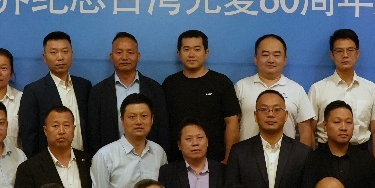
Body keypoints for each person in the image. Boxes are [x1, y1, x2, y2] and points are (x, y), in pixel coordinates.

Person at [224, 90, 311, 188]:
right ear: (255, 116)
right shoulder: (239, 152)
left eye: (277, 109)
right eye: (264, 109)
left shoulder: (303, 153)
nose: (270, 114)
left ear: (286, 115)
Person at [12, 106, 92, 188]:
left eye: (66, 125)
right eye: (55, 126)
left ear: (74, 129)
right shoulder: (29, 169)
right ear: (45, 130)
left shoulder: (87, 162)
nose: (61, 131)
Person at [161, 29, 241, 163]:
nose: (191, 54)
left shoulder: (221, 82)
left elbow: (231, 122)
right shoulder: (169, 84)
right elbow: (163, 124)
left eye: (197, 49)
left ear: (206, 53)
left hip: (216, 161)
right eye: (186, 49)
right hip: (177, 161)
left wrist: (228, 159)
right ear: (178, 53)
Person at [86, 32, 172, 155]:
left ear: (138, 56)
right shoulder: (98, 91)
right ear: (111, 56)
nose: (124, 57)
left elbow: (163, 129)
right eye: (119, 52)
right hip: (111, 158)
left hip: (148, 156)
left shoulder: (155, 89)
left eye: (130, 52)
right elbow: (93, 133)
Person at [307, 29, 375, 158]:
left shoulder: (371, 88)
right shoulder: (318, 89)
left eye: (350, 50)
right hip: (325, 155)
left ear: (357, 53)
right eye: (339, 51)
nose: (345, 55)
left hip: (361, 154)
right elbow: (309, 130)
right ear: (332, 55)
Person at [301, 100, 375, 188]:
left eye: (348, 122)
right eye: (337, 122)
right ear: (325, 126)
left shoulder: (366, 160)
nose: (343, 127)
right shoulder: (313, 159)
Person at [18, 31, 91, 157]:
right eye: (53, 52)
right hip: (49, 163)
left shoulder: (84, 86)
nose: (60, 57)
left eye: (65, 51)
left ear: (72, 54)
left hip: (83, 160)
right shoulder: (34, 91)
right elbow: (29, 135)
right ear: (44, 57)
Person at [233, 34, 314, 145]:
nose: (271, 60)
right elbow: (232, 126)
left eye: (276, 55)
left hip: (286, 155)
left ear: (285, 59)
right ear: (255, 59)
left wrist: (303, 155)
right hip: (247, 154)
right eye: (265, 55)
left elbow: (305, 130)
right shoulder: (241, 86)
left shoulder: (297, 90)